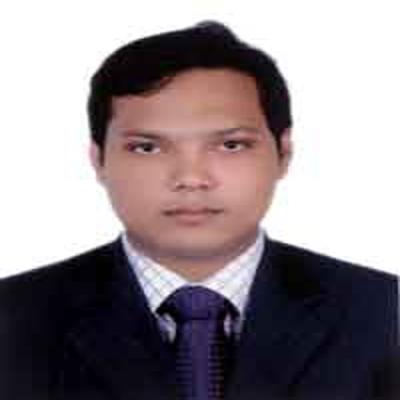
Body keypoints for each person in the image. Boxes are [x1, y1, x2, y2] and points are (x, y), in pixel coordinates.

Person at [0, 21, 398, 400]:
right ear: (98, 159)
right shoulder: (13, 318)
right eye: (147, 148)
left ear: (284, 152)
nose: (191, 178)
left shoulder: (382, 311)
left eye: (231, 145)